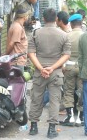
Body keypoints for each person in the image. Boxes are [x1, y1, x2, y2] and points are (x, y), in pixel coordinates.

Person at [28, 8, 71, 139]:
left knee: (36, 98)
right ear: (56, 19)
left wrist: (41, 68)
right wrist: (52, 68)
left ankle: (33, 127)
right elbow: (66, 55)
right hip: (56, 73)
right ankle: (51, 129)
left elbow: (31, 54)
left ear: (44, 18)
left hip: (39, 72)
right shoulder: (64, 35)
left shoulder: (35, 33)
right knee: (54, 101)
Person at [60, 14, 84, 127]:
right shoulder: (85, 36)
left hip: (68, 66)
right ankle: (80, 117)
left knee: (68, 91)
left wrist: (63, 65)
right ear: (81, 23)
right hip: (82, 67)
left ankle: (70, 117)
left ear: (71, 24)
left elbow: (63, 52)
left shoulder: (67, 35)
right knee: (81, 91)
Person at [6, 6, 29, 71]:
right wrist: (5, 55)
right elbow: (11, 44)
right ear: (24, 17)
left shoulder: (17, 25)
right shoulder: (17, 27)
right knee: (17, 81)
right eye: (27, 15)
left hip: (18, 59)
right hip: (17, 61)